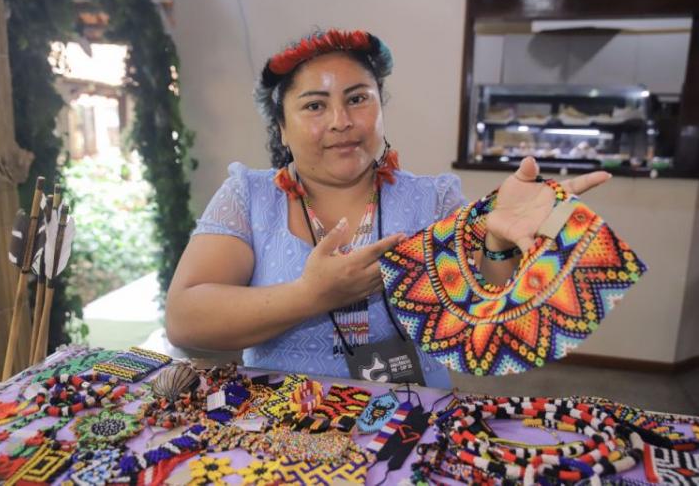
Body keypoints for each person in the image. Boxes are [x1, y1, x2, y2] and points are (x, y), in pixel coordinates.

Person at [165, 29, 610, 388]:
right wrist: (311, 295)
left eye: (357, 98)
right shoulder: (249, 195)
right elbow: (186, 321)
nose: (341, 120)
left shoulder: (431, 200)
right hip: (279, 428)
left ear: (381, 109)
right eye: (315, 106)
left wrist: (497, 244)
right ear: (281, 128)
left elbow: (484, 313)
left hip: (411, 421)